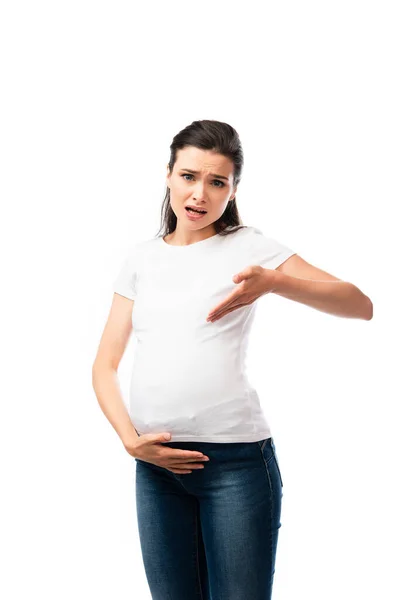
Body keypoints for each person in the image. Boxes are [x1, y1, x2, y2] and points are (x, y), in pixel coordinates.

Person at [92, 119, 373, 600]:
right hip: (157, 470)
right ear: (168, 175)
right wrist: (130, 442)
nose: (199, 194)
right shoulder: (141, 259)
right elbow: (104, 365)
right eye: (189, 176)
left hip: (236, 467)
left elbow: (358, 304)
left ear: (233, 188)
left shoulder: (248, 246)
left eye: (216, 182)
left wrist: (277, 282)